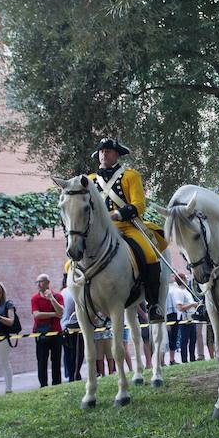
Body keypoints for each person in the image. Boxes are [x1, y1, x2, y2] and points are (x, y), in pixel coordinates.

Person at [89, 137, 167, 323]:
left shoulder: (131, 176)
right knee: (74, 260)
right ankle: (82, 305)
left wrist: (117, 214)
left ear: (117, 154)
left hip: (127, 226)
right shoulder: (90, 180)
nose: (104, 153)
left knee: (149, 255)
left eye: (108, 150)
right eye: (101, 150)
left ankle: (154, 304)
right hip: (101, 231)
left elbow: (139, 205)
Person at [31, 274, 64, 387]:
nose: (38, 284)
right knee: (42, 361)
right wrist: (54, 314)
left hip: (56, 333)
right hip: (41, 334)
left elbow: (61, 312)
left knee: (56, 361)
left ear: (47, 282)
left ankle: (57, 384)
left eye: (40, 281)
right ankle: (43, 385)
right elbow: (37, 315)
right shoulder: (35, 298)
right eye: (37, 282)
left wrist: (51, 299)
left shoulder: (57, 296)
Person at [60, 275, 84, 382]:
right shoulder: (74, 292)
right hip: (74, 327)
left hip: (63, 327)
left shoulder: (62, 292)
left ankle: (70, 375)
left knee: (68, 353)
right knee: (78, 353)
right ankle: (74, 376)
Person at [173, 273, 198, 362]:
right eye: (185, 278)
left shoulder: (187, 291)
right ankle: (184, 359)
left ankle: (192, 358)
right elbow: (180, 307)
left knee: (193, 339)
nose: (187, 280)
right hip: (185, 319)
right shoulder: (178, 292)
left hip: (192, 318)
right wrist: (192, 304)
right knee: (185, 340)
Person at [165, 276, 182, 365]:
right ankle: (162, 360)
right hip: (168, 314)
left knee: (173, 337)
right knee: (167, 338)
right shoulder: (166, 288)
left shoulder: (175, 287)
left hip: (175, 313)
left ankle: (172, 359)